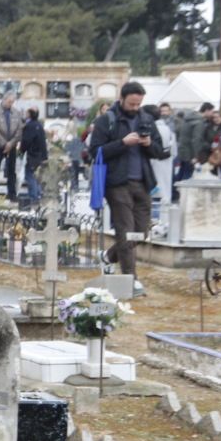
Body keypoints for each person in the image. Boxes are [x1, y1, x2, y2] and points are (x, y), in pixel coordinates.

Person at [86, 82, 168, 291]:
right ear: (121, 99)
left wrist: (149, 144)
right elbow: (95, 151)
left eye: (138, 103)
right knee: (125, 231)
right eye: (131, 103)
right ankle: (130, 280)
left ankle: (108, 256)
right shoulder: (106, 121)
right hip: (116, 183)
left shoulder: (146, 119)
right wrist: (123, 143)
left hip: (142, 182)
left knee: (141, 231)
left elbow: (160, 152)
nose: (134, 107)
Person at [150, 105, 178, 217]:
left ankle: (154, 220)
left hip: (152, 164)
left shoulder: (150, 129)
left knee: (154, 194)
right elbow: (174, 152)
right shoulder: (169, 129)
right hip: (166, 164)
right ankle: (164, 220)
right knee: (165, 192)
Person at [19, 108, 48, 206]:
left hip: (32, 156)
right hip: (40, 156)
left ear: (30, 114)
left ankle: (34, 197)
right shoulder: (40, 126)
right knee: (37, 177)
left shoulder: (29, 126)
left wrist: (21, 151)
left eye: (27, 112)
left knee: (30, 176)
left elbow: (26, 141)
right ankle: (40, 195)